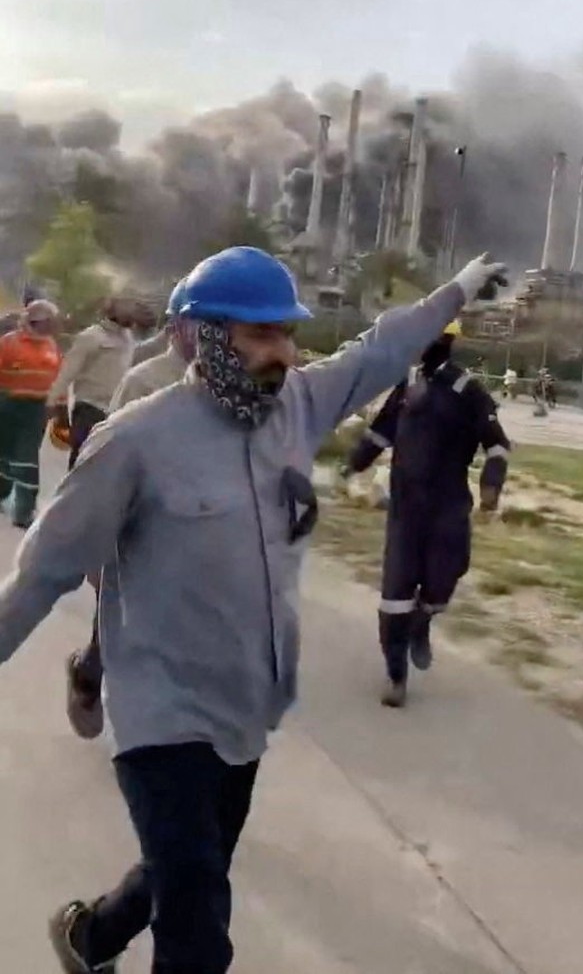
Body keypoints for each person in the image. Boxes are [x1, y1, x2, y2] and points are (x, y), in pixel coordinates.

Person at [0, 245, 505, 974]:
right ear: (200, 336)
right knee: (200, 934)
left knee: (186, 869)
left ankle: (90, 936)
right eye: (261, 334)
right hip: (161, 713)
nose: (284, 351)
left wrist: (455, 290)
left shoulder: (296, 405)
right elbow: (42, 572)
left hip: (244, 707)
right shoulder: (135, 441)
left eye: (287, 333)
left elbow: (381, 350)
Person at [347, 317, 511, 708]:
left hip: (449, 509)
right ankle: (396, 675)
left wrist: (491, 482)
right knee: (394, 595)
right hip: (405, 510)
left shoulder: (468, 390)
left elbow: (498, 444)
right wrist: (352, 464)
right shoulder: (407, 388)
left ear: (446, 341)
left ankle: (423, 622)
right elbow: (380, 433)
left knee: (442, 582)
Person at [64, 279, 196, 742]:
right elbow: (109, 459)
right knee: (120, 622)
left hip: (199, 531)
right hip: (138, 526)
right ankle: (87, 674)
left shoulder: (241, 383)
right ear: (179, 327)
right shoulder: (146, 379)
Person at [47, 297, 137, 469]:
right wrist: (52, 401)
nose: (132, 314)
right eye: (127, 309)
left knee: (104, 467)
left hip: (116, 411)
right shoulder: (91, 336)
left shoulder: (129, 338)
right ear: (111, 311)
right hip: (89, 409)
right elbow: (68, 371)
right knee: (81, 462)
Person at [0, 300, 61, 529]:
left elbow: (58, 376)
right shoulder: (8, 343)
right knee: (4, 453)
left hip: (36, 409)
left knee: (27, 459)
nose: (44, 328)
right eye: (42, 322)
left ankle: (23, 512)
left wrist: (60, 405)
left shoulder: (51, 346)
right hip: (8, 404)